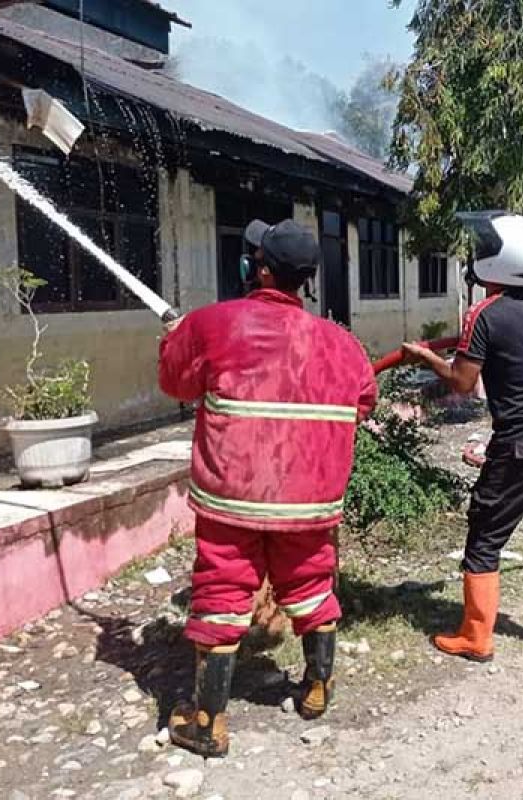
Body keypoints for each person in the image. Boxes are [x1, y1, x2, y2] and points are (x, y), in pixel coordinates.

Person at [158, 219, 378, 757]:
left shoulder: (213, 325)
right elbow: (363, 402)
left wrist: (176, 339)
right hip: (310, 501)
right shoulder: (343, 343)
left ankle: (208, 720)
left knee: (222, 591)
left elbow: (175, 382)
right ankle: (318, 686)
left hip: (233, 497)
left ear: (259, 268)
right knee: (309, 585)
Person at [402, 212, 523, 661]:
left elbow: (462, 383)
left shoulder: (485, 313)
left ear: (499, 261)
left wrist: (426, 359)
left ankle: (476, 637)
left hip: (521, 443)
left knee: (485, 533)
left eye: (483, 251)